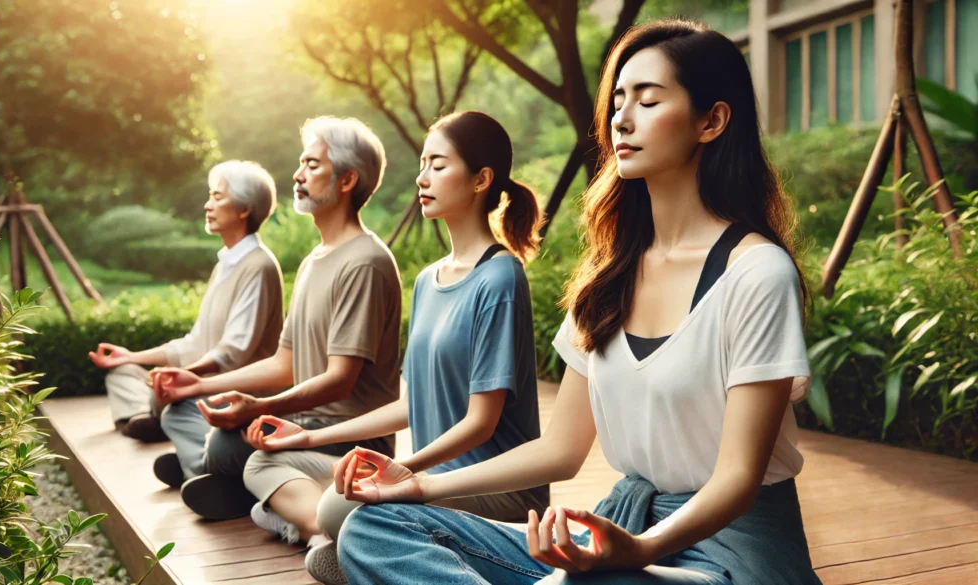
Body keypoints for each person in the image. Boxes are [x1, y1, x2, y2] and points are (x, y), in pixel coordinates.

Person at [332, 19, 821, 585]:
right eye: (617, 100)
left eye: (648, 99)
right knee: (375, 527)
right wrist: (420, 484)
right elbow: (562, 449)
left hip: (728, 556)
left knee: (581, 582)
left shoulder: (756, 272)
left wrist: (636, 551)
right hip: (622, 537)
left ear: (711, 121)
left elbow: (737, 481)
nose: (622, 118)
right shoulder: (610, 275)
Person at [243, 111, 550, 584]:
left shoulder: (500, 278)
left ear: (481, 179)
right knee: (303, 484)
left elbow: (481, 422)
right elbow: (408, 405)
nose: (422, 178)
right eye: (422, 163)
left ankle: (376, 549)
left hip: (497, 489)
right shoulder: (427, 280)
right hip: (429, 480)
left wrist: (401, 472)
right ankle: (375, 551)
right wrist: (306, 438)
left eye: (439, 165)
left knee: (342, 508)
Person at [149, 116, 402, 522]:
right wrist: (200, 384)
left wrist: (260, 406)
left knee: (226, 447)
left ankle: (249, 490)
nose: (298, 176)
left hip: (349, 435)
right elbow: (283, 364)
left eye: (312, 165)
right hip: (305, 419)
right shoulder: (312, 261)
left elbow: (342, 379)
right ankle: (256, 496)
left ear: (347, 179)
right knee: (192, 413)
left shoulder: (365, 263)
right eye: (301, 164)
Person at [88, 160, 284, 446]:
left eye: (217, 197)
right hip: (199, 382)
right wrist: (131, 357)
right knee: (122, 373)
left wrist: (184, 377)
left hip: (229, 391)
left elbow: (233, 353)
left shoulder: (259, 266)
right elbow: (193, 343)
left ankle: (155, 418)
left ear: (244, 209)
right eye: (209, 196)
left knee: (163, 395)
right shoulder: (226, 263)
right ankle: (153, 418)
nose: (207, 205)